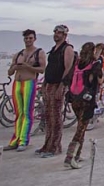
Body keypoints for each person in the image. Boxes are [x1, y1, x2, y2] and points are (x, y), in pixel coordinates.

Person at [37, 24, 74, 158]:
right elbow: (49, 68)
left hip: (58, 85)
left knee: (56, 116)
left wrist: (62, 86)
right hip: (49, 84)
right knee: (48, 115)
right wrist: (44, 83)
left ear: (64, 35)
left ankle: (55, 146)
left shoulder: (67, 48)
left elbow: (68, 68)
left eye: (59, 32)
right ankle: (47, 144)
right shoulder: (54, 49)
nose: (56, 34)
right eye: (55, 32)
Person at [5, 29, 45, 152]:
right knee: (18, 113)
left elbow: (42, 69)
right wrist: (14, 67)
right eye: (26, 38)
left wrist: (28, 67)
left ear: (34, 39)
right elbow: (10, 72)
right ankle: (15, 140)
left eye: (30, 38)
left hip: (29, 83)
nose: (28, 40)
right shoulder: (18, 54)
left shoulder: (39, 52)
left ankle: (23, 140)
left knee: (27, 113)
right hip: (17, 83)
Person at [64, 42, 102, 169]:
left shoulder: (77, 63)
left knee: (82, 127)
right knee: (80, 129)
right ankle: (70, 157)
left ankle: (77, 155)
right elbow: (100, 80)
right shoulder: (95, 65)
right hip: (86, 100)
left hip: (75, 98)